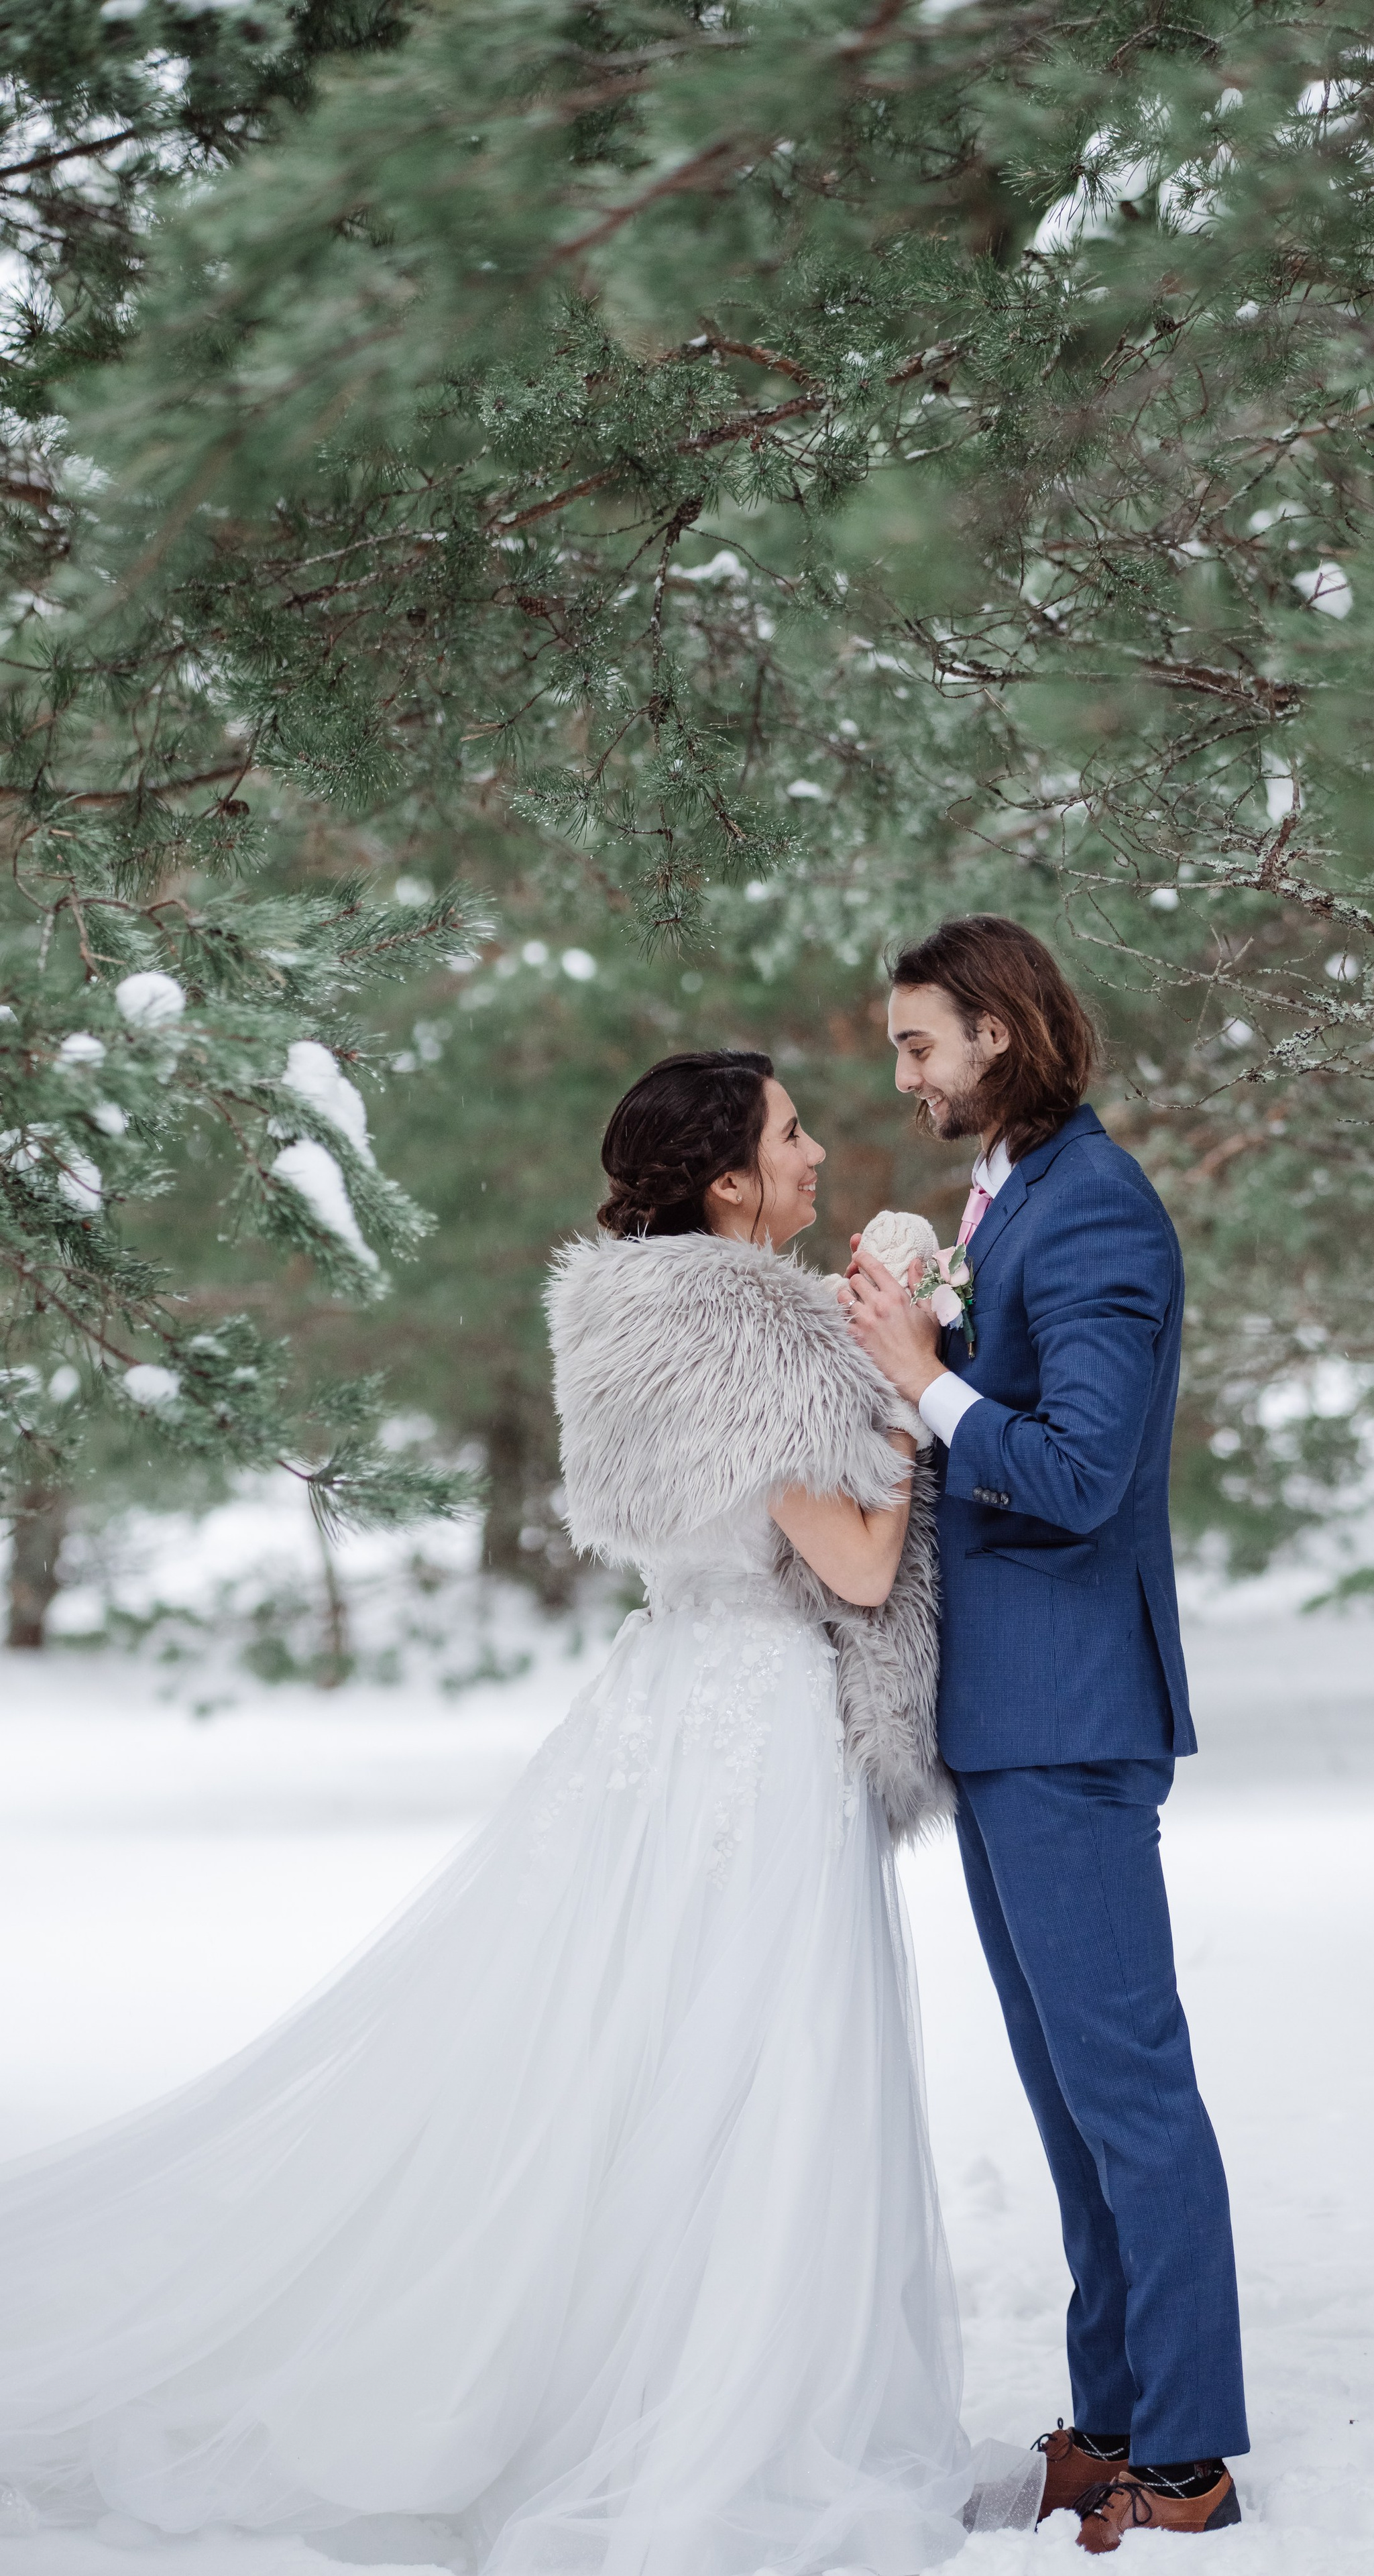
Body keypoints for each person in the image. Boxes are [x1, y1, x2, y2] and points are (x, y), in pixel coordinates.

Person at [0, 1048, 1037, 2576]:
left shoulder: (625, 1314)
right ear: (728, 1181)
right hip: (752, 1731)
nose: (818, 1151)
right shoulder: (753, 1331)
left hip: (663, 1701)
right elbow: (865, 1568)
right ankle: (717, 2419)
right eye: (790, 1133)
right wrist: (904, 1378)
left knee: (641, 2054)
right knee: (759, 2059)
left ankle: (618, 2374)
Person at [843, 918, 1249, 2546]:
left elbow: (1080, 1473)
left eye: (917, 1043)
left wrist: (925, 1377)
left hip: (1069, 1710)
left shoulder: (1094, 1209)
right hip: (1006, 1714)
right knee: (1068, 2098)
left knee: (1127, 2090)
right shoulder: (1007, 1189)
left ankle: (1189, 2457)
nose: (902, 1073)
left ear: (996, 1034)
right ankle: (1111, 2413)